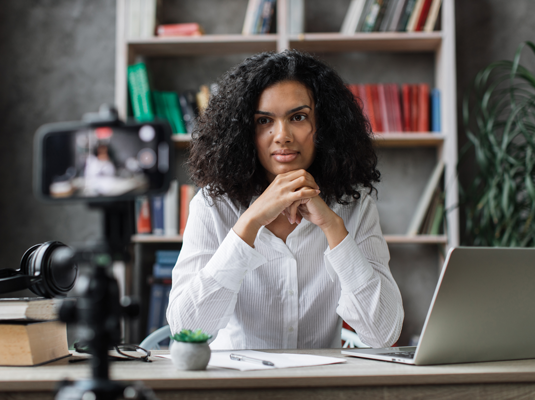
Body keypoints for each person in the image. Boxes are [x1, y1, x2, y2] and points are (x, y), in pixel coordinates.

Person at [166, 50, 404, 350]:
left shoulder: (354, 205)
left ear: (325, 126)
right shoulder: (213, 206)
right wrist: (249, 223)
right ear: (244, 132)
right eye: (264, 120)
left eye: (298, 117)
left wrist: (333, 228)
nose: (282, 136)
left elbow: (383, 334)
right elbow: (185, 329)